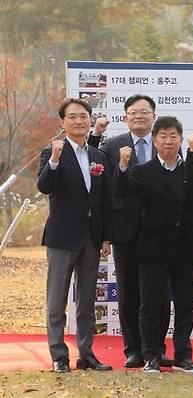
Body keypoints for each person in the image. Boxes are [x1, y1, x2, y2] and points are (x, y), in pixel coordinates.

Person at [114, 116, 193, 373]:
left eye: (173, 136)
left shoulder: (192, 170)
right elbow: (121, 192)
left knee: (186, 304)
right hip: (153, 248)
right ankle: (152, 355)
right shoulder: (141, 172)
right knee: (152, 305)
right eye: (163, 136)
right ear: (154, 140)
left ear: (180, 139)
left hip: (185, 249)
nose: (168, 141)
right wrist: (122, 165)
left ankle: (183, 356)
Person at [88, 94, 173, 369]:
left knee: (159, 292)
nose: (139, 116)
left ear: (154, 116)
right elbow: (102, 186)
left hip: (159, 230)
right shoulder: (112, 146)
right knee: (128, 291)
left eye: (145, 112)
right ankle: (134, 350)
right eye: (133, 112)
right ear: (126, 117)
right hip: (124, 229)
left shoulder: (167, 145)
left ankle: (157, 349)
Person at [37, 98, 113, 373]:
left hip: (91, 239)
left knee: (87, 301)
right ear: (63, 122)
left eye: (83, 116)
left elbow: (104, 200)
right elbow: (45, 186)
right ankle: (59, 356)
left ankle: (86, 354)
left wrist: (105, 237)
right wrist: (55, 161)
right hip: (62, 238)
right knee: (56, 301)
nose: (79, 121)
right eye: (72, 117)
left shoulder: (98, 156)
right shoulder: (51, 153)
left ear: (90, 120)